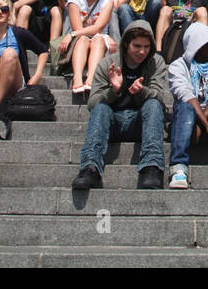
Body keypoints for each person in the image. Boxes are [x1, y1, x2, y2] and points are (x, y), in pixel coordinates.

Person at [72, 20, 169, 190]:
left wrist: (141, 92)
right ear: (126, 44)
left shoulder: (156, 62)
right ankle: (89, 168)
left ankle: (151, 168)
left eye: (146, 47)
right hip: (112, 122)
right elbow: (92, 103)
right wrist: (113, 91)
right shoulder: (107, 64)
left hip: (140, 122)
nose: (142, 51)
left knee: (153, 104)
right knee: (101, 108)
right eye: (137, 46)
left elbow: (160, 98)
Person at [166, 21, 208, 189]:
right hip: (187, 120)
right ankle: (178, 168)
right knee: (185, 108)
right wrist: (204, 124)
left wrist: (203, 124)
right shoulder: (178, 66)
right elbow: (185, 94)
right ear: (196, 45)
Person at [62, 0, 115, 95]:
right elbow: (77, 28)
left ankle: (91, 78)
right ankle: (77, 77)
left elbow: (98, 28)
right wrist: (74, 34)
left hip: (99, 38)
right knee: (84, 39)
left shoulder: (107, 0)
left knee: (97, 39)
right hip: (80, 38)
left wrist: (71, 35)